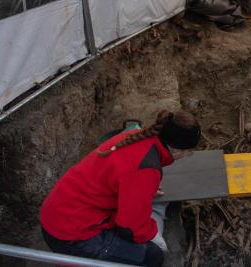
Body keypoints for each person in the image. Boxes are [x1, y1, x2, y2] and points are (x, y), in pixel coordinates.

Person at [40, 110, 201, 266]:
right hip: (70, 235)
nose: (186, 156)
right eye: (188, 152)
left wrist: (143, 191)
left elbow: (123, 177)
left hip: (58, 212)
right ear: (175, 149)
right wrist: (153, 233)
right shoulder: (146, 169)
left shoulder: (135, 136)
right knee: (153, 256)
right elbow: (130, 230)